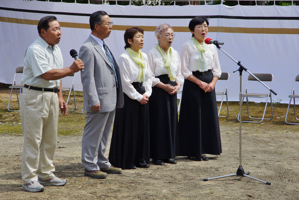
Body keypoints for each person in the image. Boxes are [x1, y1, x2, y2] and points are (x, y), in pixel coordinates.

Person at [20, 15, 84, 192]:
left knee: (50, 139)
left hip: (51, 96)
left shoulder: (55, 49)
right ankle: (29, 179)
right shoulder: (35, 49)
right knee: (33, 139)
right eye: (55, 29)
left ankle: (46, 174)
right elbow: (47, 74)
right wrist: (71, 69)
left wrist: (60, 96)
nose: (59, 32)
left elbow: (58, 74)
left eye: (60, 28)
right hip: (34, 95)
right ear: (43, 32)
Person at [79, 11, 124, 179]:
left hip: (110, 97)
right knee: (93, 133)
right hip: (99, 99)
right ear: (97, 26)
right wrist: (93, 99)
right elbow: (87, 77)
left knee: (104, 133)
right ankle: (90, 165)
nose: (111, 27)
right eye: (108, 23)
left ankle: (102, 161)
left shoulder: (103, 45)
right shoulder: (88, 47)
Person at [178, 16, 222, 161]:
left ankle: (207, 148)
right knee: (194, 118)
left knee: (208, 117)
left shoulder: (211, 46)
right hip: (193, 84)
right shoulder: (187, 45)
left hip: (209, 84)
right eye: (199, 27)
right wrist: (200, 83)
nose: (203, 29)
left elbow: (217, 69)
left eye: (205, 26)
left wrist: (212, 83)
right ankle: (193, 151)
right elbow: (184, 70)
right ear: (192, 30)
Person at [109, 27, 152, 169]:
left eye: (143, 37)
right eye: (138, 37)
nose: (142, 40)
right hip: (129, 97)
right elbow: (125, 82)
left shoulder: (144, 56)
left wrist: (147, 93)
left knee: (142, 128)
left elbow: (148, 77)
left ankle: (140, 158)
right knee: (130, 128)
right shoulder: (124, 58)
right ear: (129, 41)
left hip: (142, 93)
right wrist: (138, 97)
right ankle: (127, 160)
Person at [147, 24, 184, 165]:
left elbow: (179, 73)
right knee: (159, 121)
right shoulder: (152, 53)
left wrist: (178, 85)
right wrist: (163, 86)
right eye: (167, 35)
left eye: (172, 35)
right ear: (158, 37)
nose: (170, 38)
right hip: (158, 89)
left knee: (171, 120)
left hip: (172, 88)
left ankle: (170, 153)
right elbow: (149, 75)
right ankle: (157, 155)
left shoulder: (174, 53)